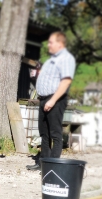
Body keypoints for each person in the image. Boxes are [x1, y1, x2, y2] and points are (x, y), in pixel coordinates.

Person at [26, 31, 76, 171]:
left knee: (55, 134)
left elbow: (66, 81)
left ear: (60, 44)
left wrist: (53, 100)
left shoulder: (66, 58)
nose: (48, 45)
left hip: (55, 99)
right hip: (43, 99)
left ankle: (53, 166)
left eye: (51, 42)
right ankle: (42, 164)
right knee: (44, 134)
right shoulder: (51, 60)